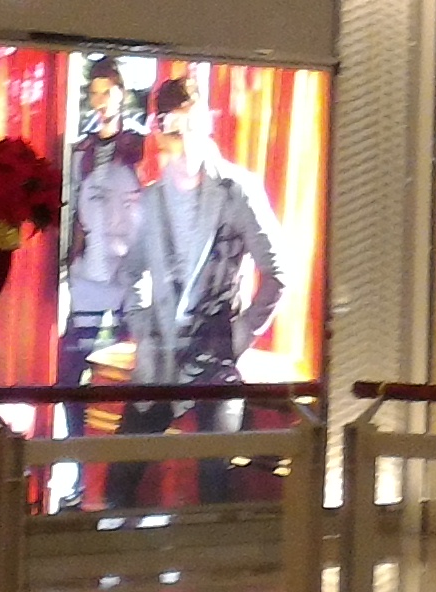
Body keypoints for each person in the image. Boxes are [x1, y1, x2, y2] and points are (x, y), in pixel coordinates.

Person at [111, 75, 286, 506]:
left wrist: (240, 335)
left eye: (192, 123)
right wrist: (144, 329)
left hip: (215, 360)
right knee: (120, 479)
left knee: (214, 484)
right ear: (159, 132)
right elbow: (130, 272)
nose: (184, 137)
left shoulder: (236, 190)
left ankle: (212, 548)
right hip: (160, 360)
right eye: (174, 127)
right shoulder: (152, 199)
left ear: (206, 122)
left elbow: (277, 273)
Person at [54, 66, 151, 492]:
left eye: (106, 93)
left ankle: (119, 475)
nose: (100, 101)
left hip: (129, 274)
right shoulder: (83, 150)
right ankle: (82, 468)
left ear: (120, 95)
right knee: (70, 369)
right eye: (94, 93)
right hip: (91, 272)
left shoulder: (140, 146)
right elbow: (76, 207)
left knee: (130, 370)